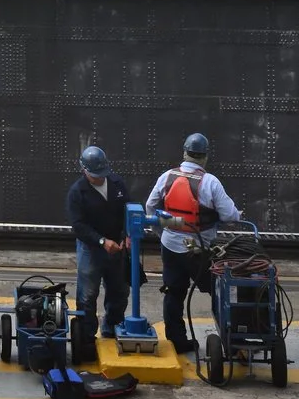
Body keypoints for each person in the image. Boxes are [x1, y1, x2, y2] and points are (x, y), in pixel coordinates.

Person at [144, 132, 240, 352]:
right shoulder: (211, 183)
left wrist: (162, 233)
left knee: (173, 292)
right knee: (218, 290)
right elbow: (230, 216)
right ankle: (229, 338)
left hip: (170, 247)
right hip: (200, 251)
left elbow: (150, 207)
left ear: (185, 153)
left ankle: (177, 341)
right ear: (205, 157)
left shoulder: (167, 176)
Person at [66, 145, 131, 338]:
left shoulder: (117, 184)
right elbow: (78, 226)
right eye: (95, 174)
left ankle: (112, 328)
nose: (99, 178)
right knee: (87, 294)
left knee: (119, 291)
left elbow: (128, 210)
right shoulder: (77, 193)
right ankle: (86, 336)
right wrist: (102, 241)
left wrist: (127, 235)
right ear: (84, 170)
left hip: (117, 249)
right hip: (91, 250)